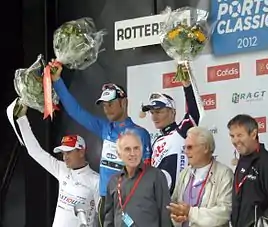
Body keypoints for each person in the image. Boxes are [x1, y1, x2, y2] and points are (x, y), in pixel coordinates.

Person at [49, 61, 152, 225]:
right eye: (104, 105)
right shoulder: (105, 128)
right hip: (105, 201)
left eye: (110, 103)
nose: (107, 108)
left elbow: (146, 175)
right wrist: (57, 81)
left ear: (123, 102)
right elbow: (75, 111)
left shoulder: (140, 134)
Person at [15, 104, 99, 227]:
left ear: (81, 151)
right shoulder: (62, 169)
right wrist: (21, 119)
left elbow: (103, 217)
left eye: (69, 152)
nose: (65, 157)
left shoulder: (96, 181)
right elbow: (35, 152)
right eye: (63, 153)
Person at [228, 114, 268, 227]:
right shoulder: (243, 159)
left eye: (239, 135)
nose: (235, 140)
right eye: (232, 136)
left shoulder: (267, 163)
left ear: (253, 134)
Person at [167, 126, 233, 227]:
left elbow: (224, 212)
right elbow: (175, 203)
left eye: (190, 147)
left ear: (205, 148)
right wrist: (176, 215)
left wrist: (190, 212)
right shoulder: (184, 173)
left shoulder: (224, 174)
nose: (186, 151)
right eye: (184, 148)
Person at [104, 130, 172, 227]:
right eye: (127, 149)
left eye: (136, 148)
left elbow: (165, 215)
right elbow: (109, 217)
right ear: (119, 154)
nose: (133, 153)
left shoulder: (156, 176)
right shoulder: (113, 181)